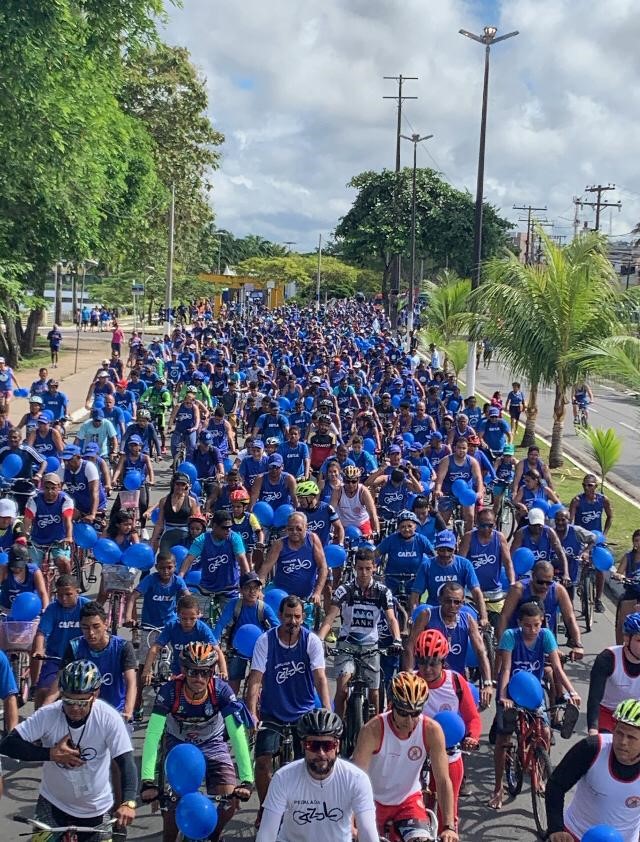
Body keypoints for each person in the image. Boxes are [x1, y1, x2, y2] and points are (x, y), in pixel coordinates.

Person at [0, 660, 137, 839]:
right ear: (61, 693)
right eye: (68, 701)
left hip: (95, 811)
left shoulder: (108, 718)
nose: (74, 708)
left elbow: (126, 762)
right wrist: (50, 754)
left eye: (81, 703)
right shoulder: (48, 714)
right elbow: (8, 744)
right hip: (53, 805)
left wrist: (129, 802)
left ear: (95, 694)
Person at [139, 642, 254, 842]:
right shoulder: (169, 692)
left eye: (205, 673)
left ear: (212, 672)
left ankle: (212, 836)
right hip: (179, 745)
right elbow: (153, 735)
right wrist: (148, 780)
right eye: (193, 672)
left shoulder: (222, 691)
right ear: (183, 670)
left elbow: (237, 734)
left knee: (230, 802)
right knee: (172, 807)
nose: (199, 678)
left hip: (212, 743)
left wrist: (246, 779)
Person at [245, 594, 331, 825]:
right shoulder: (266, 641)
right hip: (273, 712)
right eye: (288, 616)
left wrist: (327, 710)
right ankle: (265, 808)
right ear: (280, 616)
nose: (292, 621)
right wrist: (252, 713)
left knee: (310, 764)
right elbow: (255, 679)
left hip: (303, 712)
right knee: (262, 761)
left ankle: (307, 809)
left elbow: (320, 678)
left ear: (303, 618)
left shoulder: (310, 640)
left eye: (297, 617)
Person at [489, 601, 581, 811]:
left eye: (536, 625)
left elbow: (556, 667)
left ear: (542, 624)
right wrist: (502, 695)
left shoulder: (546, 636)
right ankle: (497, 788)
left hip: (534, 692)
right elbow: (506, 668)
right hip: (512, 691)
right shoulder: (511, 636)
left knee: (545, 733)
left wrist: (571, 691)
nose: (532, 630)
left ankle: (538, 773)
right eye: (527, 625)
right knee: (504, 740)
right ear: (520, 623)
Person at [352, 672, 458, 842]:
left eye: (415, 713)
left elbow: (443, 780)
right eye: (403, 713)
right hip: (371, 803)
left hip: (407, 802)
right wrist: (351, 825)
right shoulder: (372, 730)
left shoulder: (431, 730)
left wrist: (448, 827)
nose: (409, 721)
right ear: (391, 705)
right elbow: (354, 781)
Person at [256, 708, 378, 842]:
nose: (321, 753)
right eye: (313, 745)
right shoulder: (282, 778)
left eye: (328, 745)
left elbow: (368, 832)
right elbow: (266, 835)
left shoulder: (356, 779)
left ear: (337, 746)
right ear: (303, 745)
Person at [318, 546, 402, 716]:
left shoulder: (382, 592)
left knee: (374, 692)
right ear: (355, 568)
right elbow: (330, 617)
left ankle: (376, 728)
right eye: (360, 568)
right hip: (347, 645)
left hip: (371, 646)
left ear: (374, 568)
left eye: (368, 569)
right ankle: (338, 730)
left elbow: (392, 618)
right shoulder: (345, 590)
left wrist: (397, 639)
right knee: (342, 690)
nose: (364, 573)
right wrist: (319, 639)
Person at [545, 698, 640, 842]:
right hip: (576, 834)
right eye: (619, 733)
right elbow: (556, 785)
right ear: (613, 729)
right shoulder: (592, 748)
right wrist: (556, 829)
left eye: (631, 737)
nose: (623, 742)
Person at [415, 630, 482, 831]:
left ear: (443, 661)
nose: (427, 669)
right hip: (417, 755)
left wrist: (473, 736)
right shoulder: (409, 682)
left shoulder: (455, 682)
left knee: (448, 817)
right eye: (422, 661)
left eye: (433, 662)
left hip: (449, 755)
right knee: (415, 815)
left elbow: (472, 718)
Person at [124, 550, 189, 718]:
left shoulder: (177, 581)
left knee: (180, 663)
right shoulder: (150, 580)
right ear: (156, 568)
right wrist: (128, 616)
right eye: (162, 568)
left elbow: (187, 598)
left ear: (175, 567)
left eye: (169, 568)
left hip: (170, 627)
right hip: (149, 627)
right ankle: (137, 703)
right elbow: (133, 596)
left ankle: (179, 702)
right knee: (143, 667)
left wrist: (195, 613)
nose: (166, 572)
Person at [60, 601, 137, 723]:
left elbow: (131, 682)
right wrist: (45, 706)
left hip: (115, 713)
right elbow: (60, 681)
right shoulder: (74, 646)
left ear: (106, 624)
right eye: (85, 627)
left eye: (96, 626)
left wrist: (128, 711)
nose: (90, 633)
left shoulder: (123, 647)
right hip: (82, 712)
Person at [496, 559, 584, 658]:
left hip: (546, 646)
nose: (544, 586)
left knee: (553, 671)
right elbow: (504, 617)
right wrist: (502, 644)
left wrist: (578, 645)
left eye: (548, 583)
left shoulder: (559, 591)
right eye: (540, 582)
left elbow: (570, 619)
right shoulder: (518, 589)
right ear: (533, 576)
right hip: (518, 645)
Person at [31, 574, 90, 709]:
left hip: (83, 660)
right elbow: (41, 632)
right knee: (43, 692)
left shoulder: (86, 606)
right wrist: (39, 649)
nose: (63, 599)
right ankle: (38, 725)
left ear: (77, 591)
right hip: (56, 659)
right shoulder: (52, 609)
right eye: (60, 595)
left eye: (68, 594)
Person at [409, 529, 487, 624]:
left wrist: (484, 617)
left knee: (470, 613)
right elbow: (415, 594)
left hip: (457, 609)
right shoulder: (427, 565)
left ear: (455, 548)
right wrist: (413, 616)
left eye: (449, 550)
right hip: (434, 610)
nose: (445, 554)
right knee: (421, 609)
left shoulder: (465, 564)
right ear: (436, 549)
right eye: (442, 550)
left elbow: (476, 592)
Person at [143, 593, 226, 682]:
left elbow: (217, 651)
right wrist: (147, 670)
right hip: (178, 672)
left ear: (198, 615)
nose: (188, 622)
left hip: (199, 673)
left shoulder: (202, 629)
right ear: (178, 614)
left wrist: (223, 671)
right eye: (184, 618)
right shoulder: (172, 626)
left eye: (192, 618)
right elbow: (155, 648)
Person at [586, 612, 640, 735]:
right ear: (627, 638)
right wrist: (593, 729)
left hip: (635, 717)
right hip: (608, 713)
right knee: (608, 748)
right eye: (639, 640)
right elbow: (594, 698)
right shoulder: (608, 658)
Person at [258, 511, 327, 603]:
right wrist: (258, 589)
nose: (295, 532)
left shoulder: (312, 539)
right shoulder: (279, 544)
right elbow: (264, 570)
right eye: (291, 529)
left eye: (299, 529)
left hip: (306, 597)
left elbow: (323, 567)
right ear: (286, 529)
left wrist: (317, 593)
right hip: (281, 596)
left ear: (306, 527)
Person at [569, 473, 613, 612]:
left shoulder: (603, 500)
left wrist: (604, 534)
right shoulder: (577, 500)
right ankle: (573, 592)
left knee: (600, 569)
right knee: (575, 564)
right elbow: (571, 521)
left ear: (596, 486)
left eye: (590, 485)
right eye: (584, 485)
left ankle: (598, 600)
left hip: (597, 537)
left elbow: (610, 516)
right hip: (581, 537)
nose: (587, 488)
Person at [22, 472, 74, 575]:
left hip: (59, 541)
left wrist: (68, 536)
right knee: (31, 569)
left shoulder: (65, 500)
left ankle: (67, 585)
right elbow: (27, 521)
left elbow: (67, 520)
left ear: (59, 487)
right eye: (47, 488)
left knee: (63, 562)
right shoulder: (34, 500)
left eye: (53, 488)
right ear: (42, 487)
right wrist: (24, 537)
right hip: (37, 541)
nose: (50, 491)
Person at [434, 437, 484, 532]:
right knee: (443, 521)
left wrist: (480, 492)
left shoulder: (472, 462)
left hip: (466, 493)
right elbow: (440, 479)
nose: (461, 450)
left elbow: (478, 479)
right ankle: (442, 540)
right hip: (449, 493)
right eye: (459, 448)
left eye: (464, 448)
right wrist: (438, 490)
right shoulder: (446, 461)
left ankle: (467, 539)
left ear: (467, 448)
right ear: (454, 448)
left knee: (470, 516)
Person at [510, 507, 569, 579]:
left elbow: (560, 552)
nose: (537, 528)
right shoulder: (521, 533)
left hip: (544, 569)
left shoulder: (549, 532)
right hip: (526, 570)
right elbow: (511, 555)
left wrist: (566, 574)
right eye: (534, 525)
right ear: (529, 523)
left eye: (539, 525)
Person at [150, 472, 201, 554]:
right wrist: (153, 540)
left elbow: (196, 522)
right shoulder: (164, 501)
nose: (180, 487)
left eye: (183, 485)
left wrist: (198, 540)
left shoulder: (191, 501)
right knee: (165, 560)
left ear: (186, 486)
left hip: (186, 536)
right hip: (168, 535)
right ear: (173, 484)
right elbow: (160, 523)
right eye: (178, 484)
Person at [330, 465, 380, 538]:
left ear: (358, 480)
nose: (350, 484)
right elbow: (331, 512)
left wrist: (376, 531)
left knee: (368, 546)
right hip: (343, 526)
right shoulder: (337, 491)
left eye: (354, 481)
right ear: (343, 480)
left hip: (362, 524)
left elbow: (372, 514)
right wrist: (330, 531)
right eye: (347, 481)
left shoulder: (363, 491)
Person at [0, 541, 49, 612]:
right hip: (7, 610)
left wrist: (45, 610)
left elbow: (43, 593)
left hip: (30, 610)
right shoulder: (3, 570)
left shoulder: (34, 571)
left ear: (26, 562)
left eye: (20, 567)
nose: (16, 569)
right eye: (13, 566)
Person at [612, 528, 640, 643]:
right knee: (622, 624)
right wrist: (619, 576)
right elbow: (618, 572)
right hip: (631, 593)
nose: (639, 543)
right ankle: (619, 649)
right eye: (636, 540)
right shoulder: (628, 557)